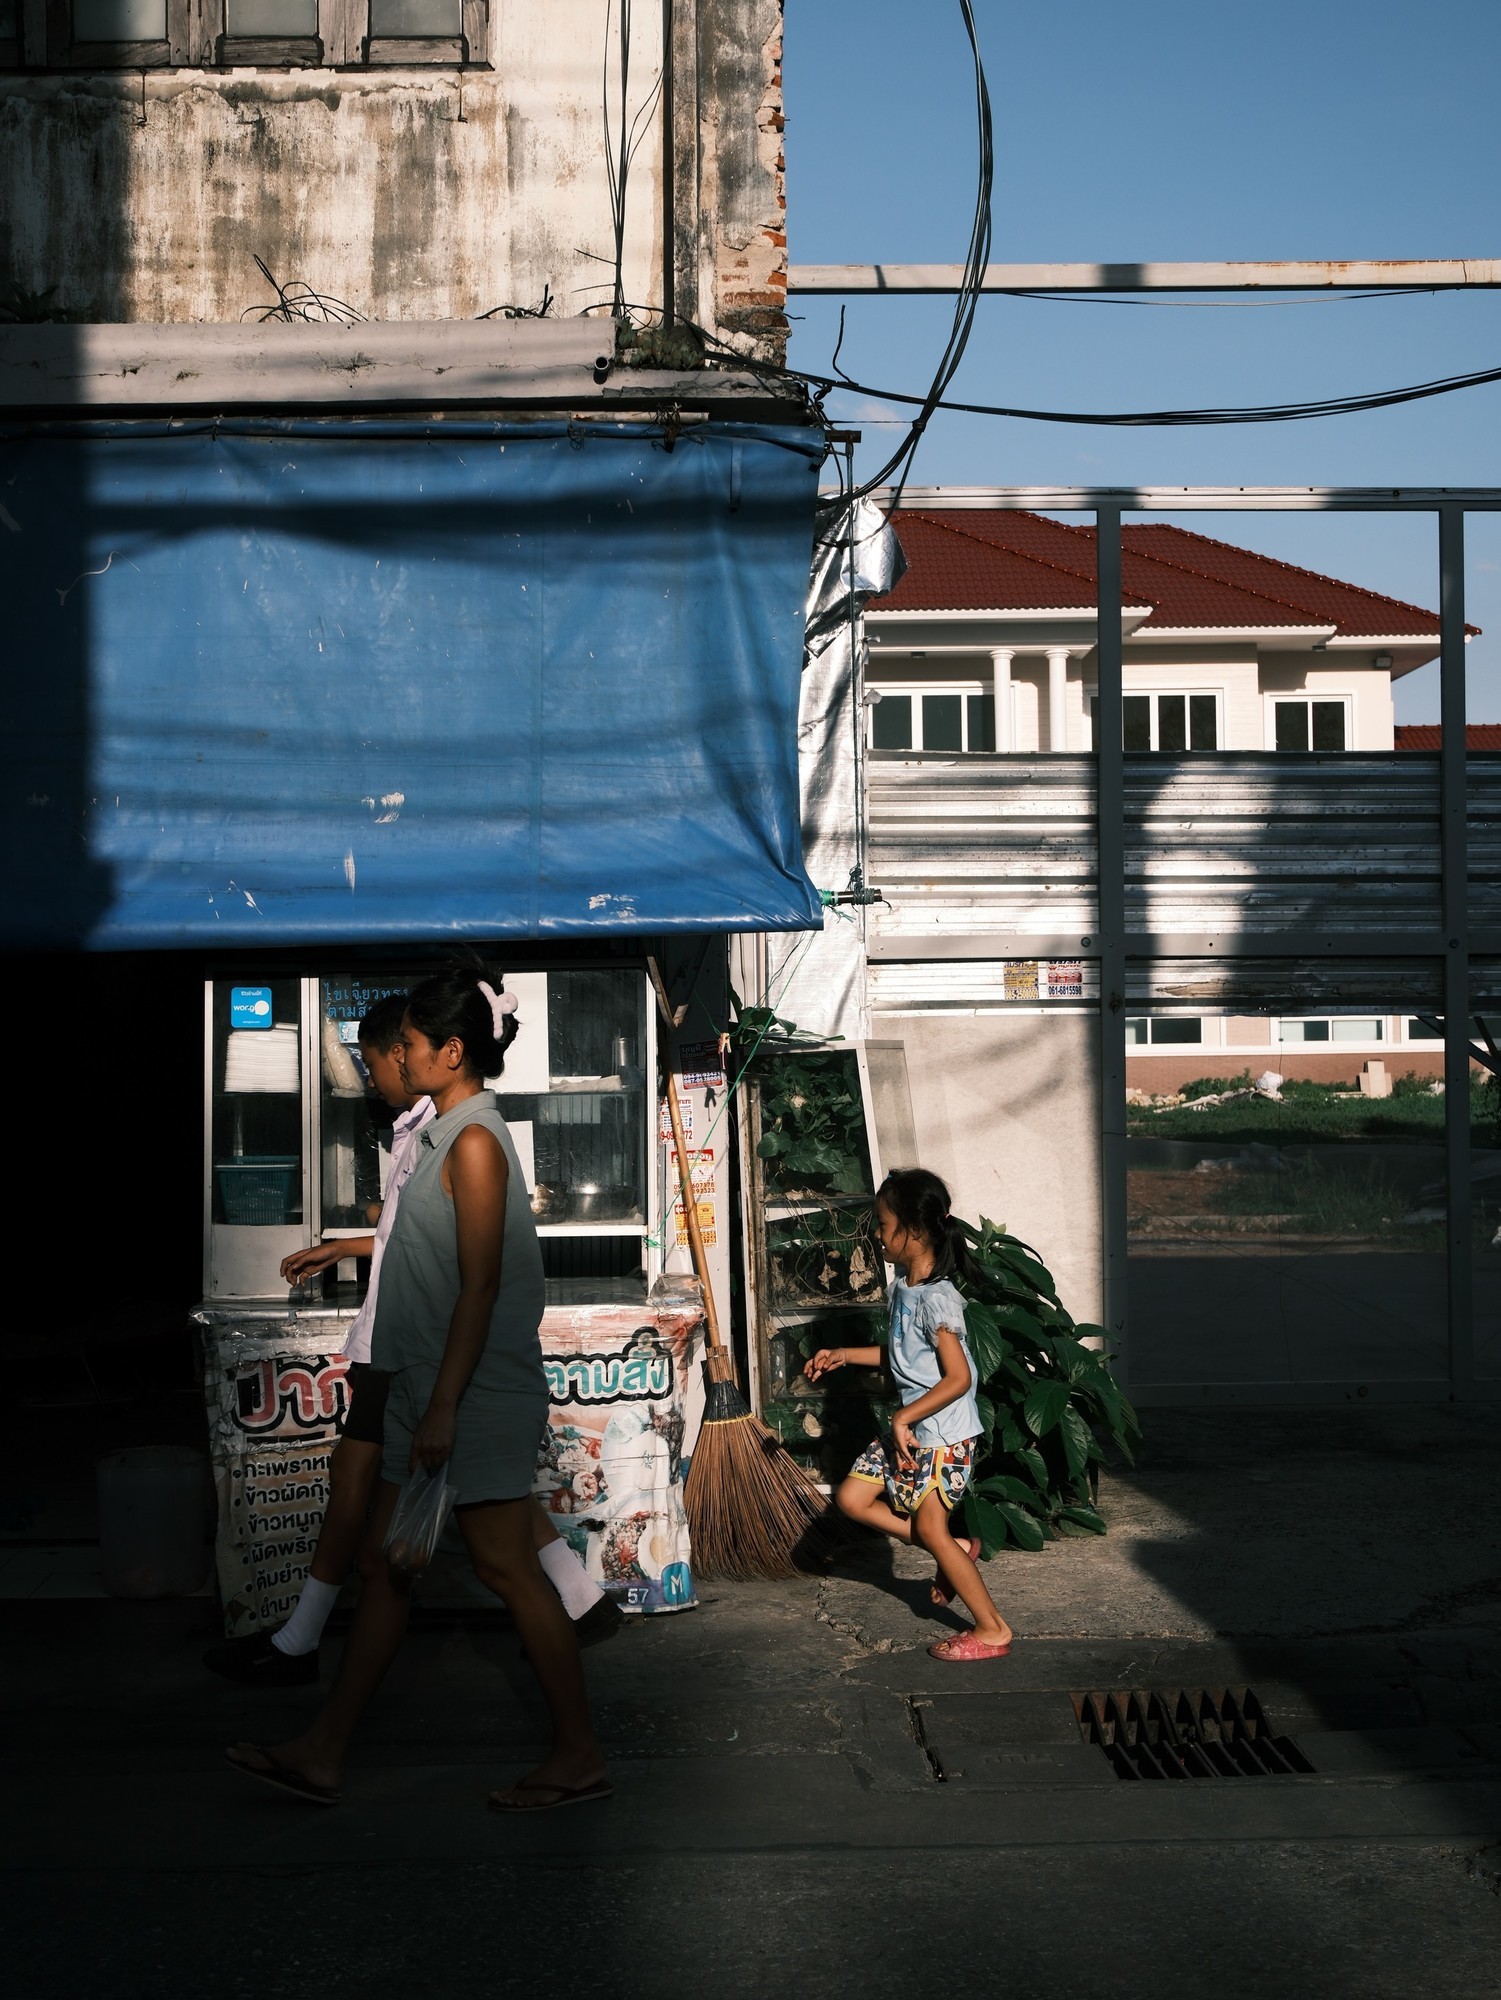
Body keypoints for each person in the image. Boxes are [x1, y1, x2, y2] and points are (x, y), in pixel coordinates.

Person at [228, 965, 609, 1811]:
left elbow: (480, 1286)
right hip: (421, 1387)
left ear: (452, 1051)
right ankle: (323, 1751)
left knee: (506, 1569)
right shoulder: (438, 1136)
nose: (396, 1056)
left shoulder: (474, 1141)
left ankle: (579, 1755)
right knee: (386, 1567)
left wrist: (442, 1408)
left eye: (406, 1043)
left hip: (470, 1396)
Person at [804, 1167, 1014, 1663]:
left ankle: (992, 1628)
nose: (877, 1234)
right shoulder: (905, 1288)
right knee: (852, 1498)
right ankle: (953, 1548)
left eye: (883, 1224)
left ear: (914, 1230)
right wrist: (844, 1354)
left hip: (943, 1436)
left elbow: (959, 1377)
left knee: (932, 1530)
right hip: (916, 1429)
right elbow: (902, 1356)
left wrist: (901, 1420)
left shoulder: (938, 1300)